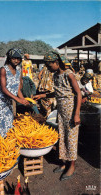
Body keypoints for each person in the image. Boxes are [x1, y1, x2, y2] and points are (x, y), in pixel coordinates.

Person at [34, 50, 82, 181]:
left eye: (49, 65)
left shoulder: (69, 74)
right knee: (62, 135)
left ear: (56, 62)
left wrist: (76, 114)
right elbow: (57, 93)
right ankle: (63, 162)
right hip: (61, 110)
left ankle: (71, 165)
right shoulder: (55, 75)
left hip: (71, 110)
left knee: (71, 138)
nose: (48, 68)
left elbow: (79, 93)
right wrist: (42, 95)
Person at [0, 48, 29, 137]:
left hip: (9, 101)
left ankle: (6, 145)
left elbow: (18, 89)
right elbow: (3, 88)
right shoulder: (4, 69)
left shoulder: (18, 72)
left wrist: (23, 100)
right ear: (9, 58)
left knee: (7, 123)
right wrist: (18, 99)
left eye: (18, 59)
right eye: (14, 58)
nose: (16, 61)